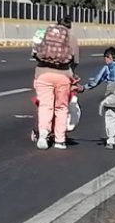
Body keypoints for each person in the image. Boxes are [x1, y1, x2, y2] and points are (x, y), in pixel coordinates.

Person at [33, 14, 80, 150]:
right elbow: (75, 61)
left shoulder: (45, 33)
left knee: (45, 106)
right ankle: (60, 141)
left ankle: (43, 135)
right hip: (63, 75)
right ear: (69, 26)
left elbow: (35, 52)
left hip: (42, 74)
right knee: (61, 107)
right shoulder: (71, 37)